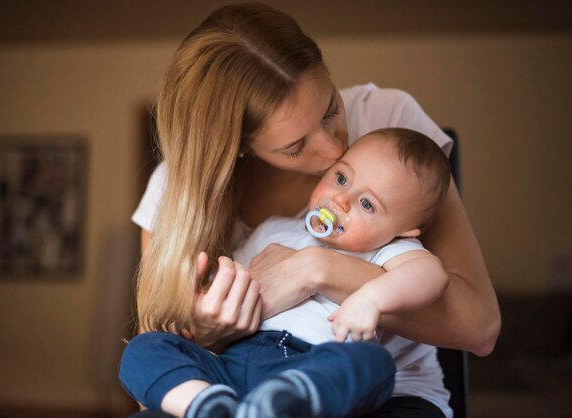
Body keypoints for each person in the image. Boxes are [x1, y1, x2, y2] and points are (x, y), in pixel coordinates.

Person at [128, 2, 500, 417]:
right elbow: (154, 387)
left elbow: (480, 328)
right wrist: (209, 333)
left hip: (374, 391)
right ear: (237, 148)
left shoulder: (388, 124)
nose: (335, 150)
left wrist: (314, 270)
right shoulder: (178, 194)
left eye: (330, 111)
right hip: (236, 384)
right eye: (294, 146)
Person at [120, 128, 453, 417]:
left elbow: (430, 275)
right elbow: (232, 284)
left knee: (374, 365)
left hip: (313, 365)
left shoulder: (385, 249)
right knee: (146, 347)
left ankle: (289, 402)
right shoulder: (273, 229)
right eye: (341, 178)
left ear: (405, 230)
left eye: (367, 204)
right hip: (233, 369)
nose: (341, 200)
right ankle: (205, 405)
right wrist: (201, 302)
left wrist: (371, 300)